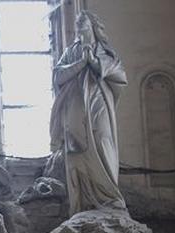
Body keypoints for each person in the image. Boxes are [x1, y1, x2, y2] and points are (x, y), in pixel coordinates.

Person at [49, 11, 127, 214]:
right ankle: (83, 205)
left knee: (102, 139)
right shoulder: (71, 52)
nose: (79, 26)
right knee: (76, 149)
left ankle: (110, 197)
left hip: (98, 100)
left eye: (83, 23)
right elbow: (58, 76)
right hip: (75, 105)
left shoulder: (105, 50)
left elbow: (118, 73)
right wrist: (80, 63)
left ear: (93, 26)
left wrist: (92, 61)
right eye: (77, 24)